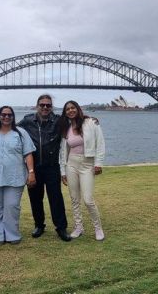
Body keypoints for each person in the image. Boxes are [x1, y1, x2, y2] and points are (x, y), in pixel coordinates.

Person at [18, 94, 71, 241]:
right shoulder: (28, 121)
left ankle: (61, 228)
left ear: (51, 107)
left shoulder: (59, 120)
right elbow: (10, 129)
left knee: (56, 198)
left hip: (52, 166)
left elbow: (75, 121)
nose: (45, 107)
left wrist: (90, 119)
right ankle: (39, 225)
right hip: (34, 167)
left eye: (48, 105)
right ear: (37, 106)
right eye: (42, 105)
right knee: (35, 197)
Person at [0, 106, 36, 245]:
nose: (6, 117)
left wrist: (31, 172)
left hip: (15, 176)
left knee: (12, 206)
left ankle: (12, 235)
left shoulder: (20, 133)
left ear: (13, 117)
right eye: (3, 114)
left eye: (9, 115)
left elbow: (28, 153)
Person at [58, 100, 105, 241]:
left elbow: (100, 143)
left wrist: (98, 163)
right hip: (71, 164)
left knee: (88, 200)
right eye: (67, 109)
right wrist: (63, 171)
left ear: (78, 109)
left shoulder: (90, 122)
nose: (70, 111)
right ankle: (79, 227)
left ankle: (98, 228)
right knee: (74, 199)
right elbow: (63, 151)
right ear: (65, 112)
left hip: (87, 164)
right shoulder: (65, 128)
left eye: (73, 108)